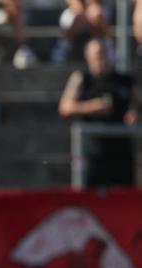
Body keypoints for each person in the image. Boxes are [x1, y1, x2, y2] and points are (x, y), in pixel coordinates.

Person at [58, 38, 139, 187]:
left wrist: (134, 114)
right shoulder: (82, 79)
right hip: (92, 153)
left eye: (104, 53)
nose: (101, 59)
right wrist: (91, 107)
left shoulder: (125, 81)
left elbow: (136, 106)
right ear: (88, 57)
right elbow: (65, 107)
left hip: (121, 154)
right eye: (97, 55)